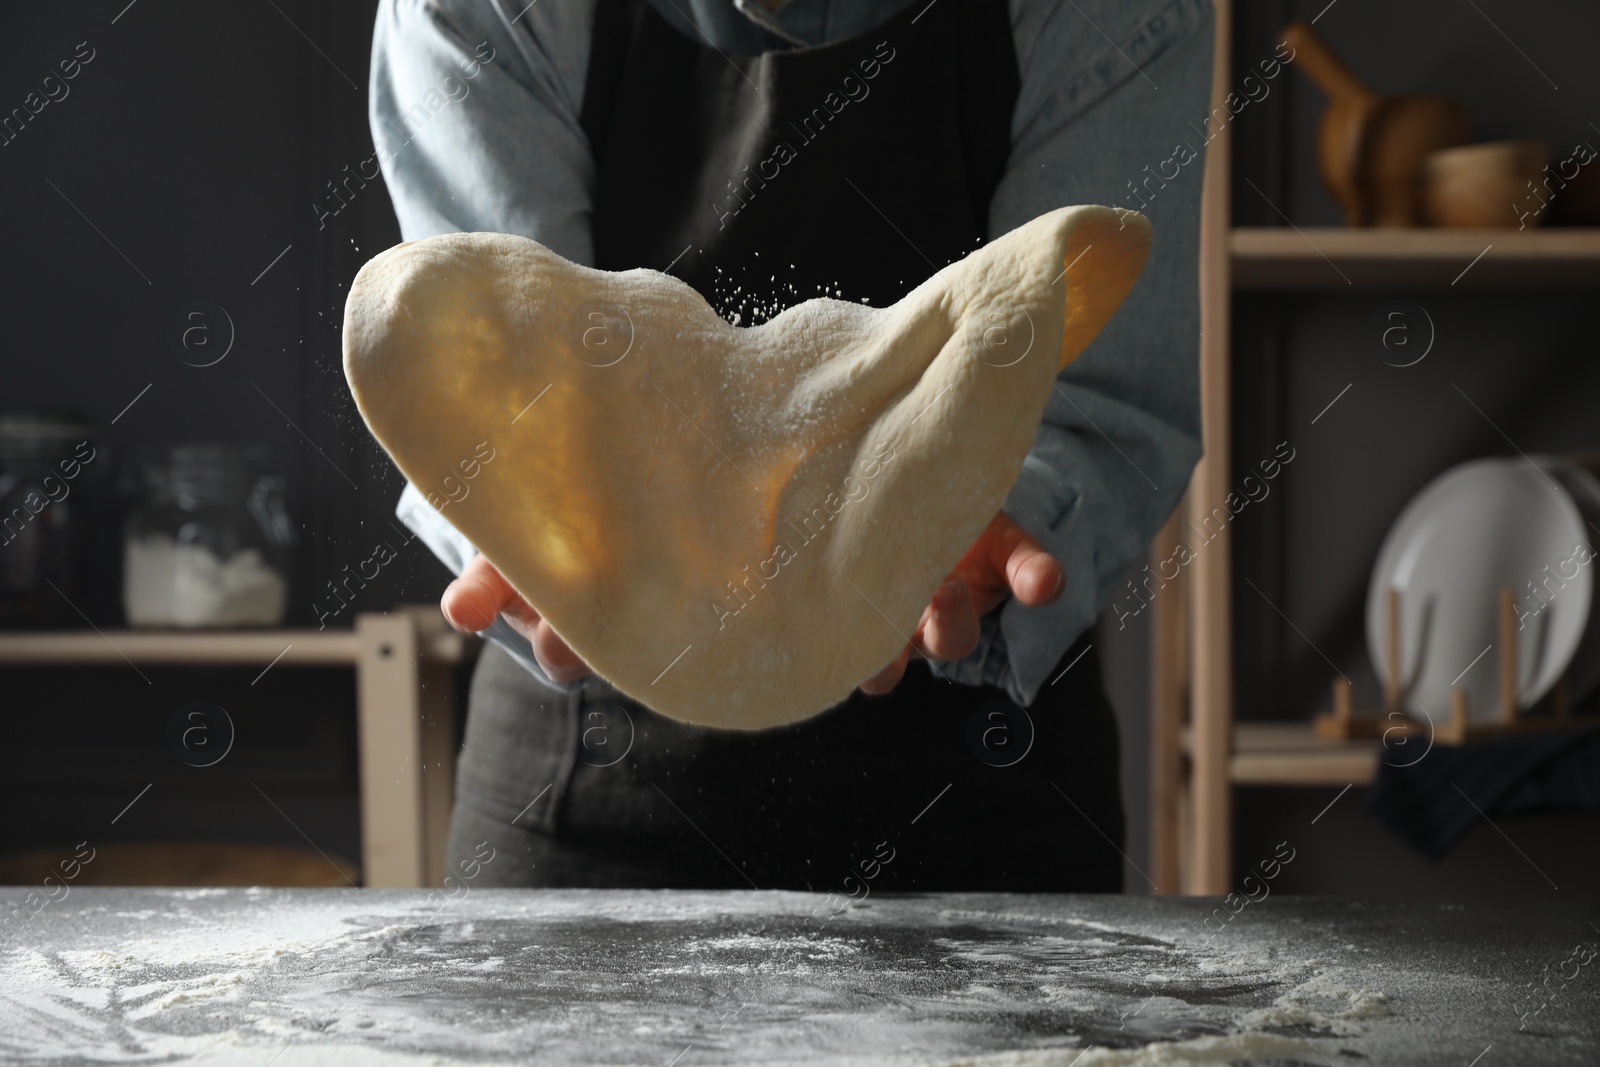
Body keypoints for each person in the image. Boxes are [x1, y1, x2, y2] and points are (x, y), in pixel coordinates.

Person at [370, 0, 1212, 891]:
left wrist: (994, 513)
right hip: (586, 783)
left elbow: (1095, 394)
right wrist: (530, 530)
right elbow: (487, 367)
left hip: (983, 784)